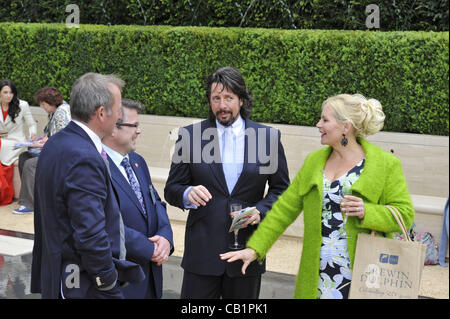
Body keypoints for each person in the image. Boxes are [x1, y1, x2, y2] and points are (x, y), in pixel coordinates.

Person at [220, 93, 415, 299]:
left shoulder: (385, 165)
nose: (318, 124)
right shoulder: (314, 163)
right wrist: (255, 249)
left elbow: (405, 214)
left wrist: (368, 211)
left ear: (345, 127)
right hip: (319, 275)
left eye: (325, 120)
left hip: (365, 275)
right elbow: (283, 211)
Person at [164, 66, 289, 299]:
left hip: (246, 252)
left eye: (229, 98)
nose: (222, 105)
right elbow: (172, 188)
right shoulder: (189, 137)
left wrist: (260, 210)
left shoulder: (267, 138)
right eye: (216, 98)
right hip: (201, 255)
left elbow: (281, 190)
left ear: (241, 99)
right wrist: (186, 193)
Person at [31, 73, 144, 299]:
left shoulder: (57, 142)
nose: (121, 115)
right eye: (119, 108)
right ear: (101, 113)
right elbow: (90, 233)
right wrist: (108, 282)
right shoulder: (84, 156)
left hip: (61, 277)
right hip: (84, 285)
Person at [102, 98, 174, 299]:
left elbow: (156, 202)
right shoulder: (96, 167)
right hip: (122, 280)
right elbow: (104, 224)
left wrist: (166, 238)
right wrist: (148, 248)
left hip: (151, 277)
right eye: (134, 125)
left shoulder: (137, 161)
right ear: (114, 129)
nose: (139, 131)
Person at [13, 87, 71, 215]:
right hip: (54, 150)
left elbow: (60, 141)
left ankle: (30, 205)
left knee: (30, 164)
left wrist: (38, 144)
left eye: (43, 104)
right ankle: (34, 198)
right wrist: (38, 140)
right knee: (24, 157)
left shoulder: (61, 114)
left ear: (50, 102)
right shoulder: (54, 111)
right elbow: (50, 136)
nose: (42, 107)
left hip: (61, 155)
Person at [0, 79, 37, 206]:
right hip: (2, 140)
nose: (8, 95)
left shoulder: (23, 105)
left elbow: (32, 124)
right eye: (5, 92)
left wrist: (32, 137)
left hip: (16, 142)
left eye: (11, 92)